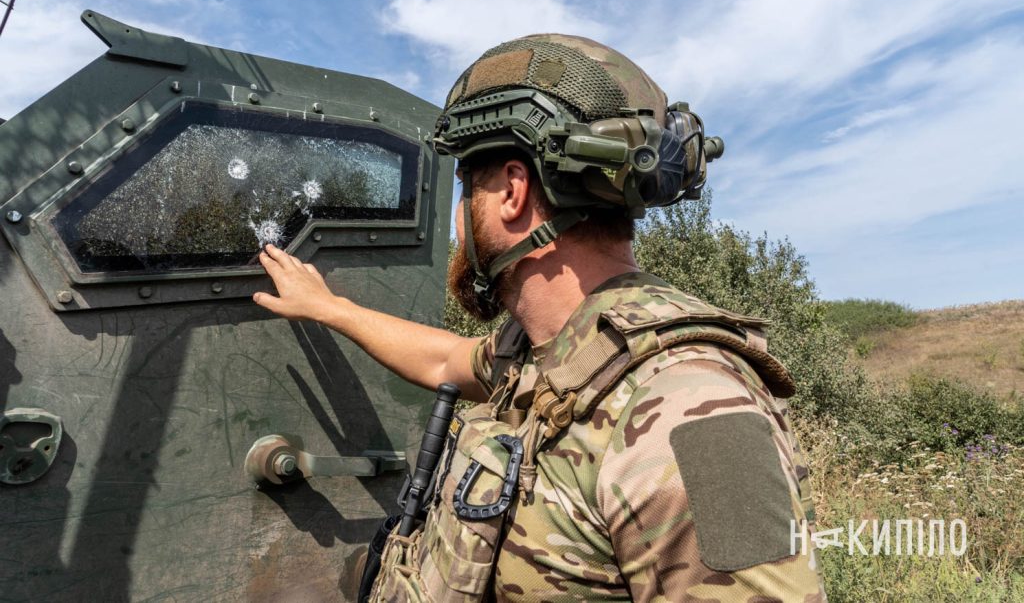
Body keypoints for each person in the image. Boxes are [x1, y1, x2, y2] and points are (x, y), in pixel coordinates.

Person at [253, 34, 826, 602]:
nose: (458, 220)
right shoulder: (554, 350)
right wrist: (329, 308)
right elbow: (444, 359)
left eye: (464, 188)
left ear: (512, 191)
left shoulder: (691, 409)